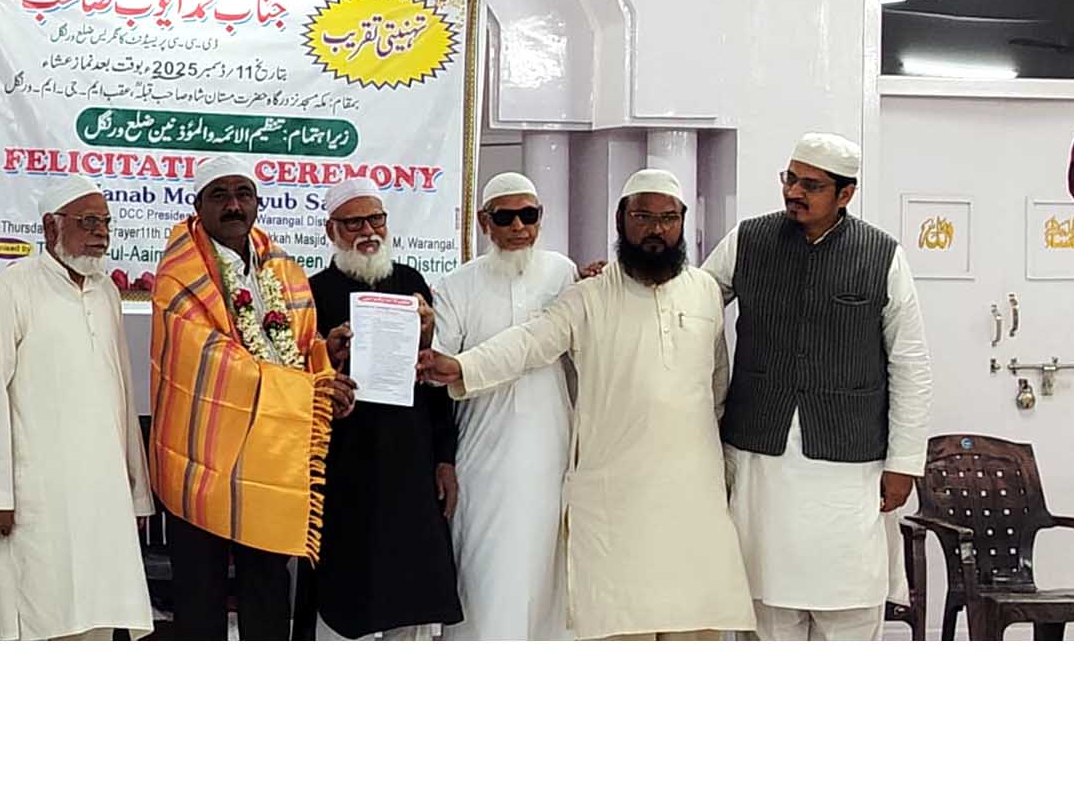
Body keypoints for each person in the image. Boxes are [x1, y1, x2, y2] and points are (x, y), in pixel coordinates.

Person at [418, 169, 755, 641]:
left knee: (697, 627)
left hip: (693, 492)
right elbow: (529, 342)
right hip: (617, 498)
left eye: (667, 218)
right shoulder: (588, 296)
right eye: (642, 217)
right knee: (621, 628)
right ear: (620, 220)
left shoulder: (705, 291)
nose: (656, 229)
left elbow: (716, 385)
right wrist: (462, 367)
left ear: (683, 221)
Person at [707, 132, 932, 641]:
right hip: (761, 455)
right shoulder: (748, 241)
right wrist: (623, 283)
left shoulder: (881, 255)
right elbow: (690, 301)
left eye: (811, 185)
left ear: (845, 193)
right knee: (765, 605)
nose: (794, 192)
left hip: (851, 462)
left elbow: (911, 363)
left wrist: (904, 463)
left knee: (848, 604)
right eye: (790, 179)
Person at [149, 153, 354, 640]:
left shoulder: (283, 269)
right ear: (197, 206)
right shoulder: (178, 274)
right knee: (200, 595)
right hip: (203, 457)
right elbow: (207, 360)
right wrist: (307, 391)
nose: (234, 205)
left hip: (269, 457)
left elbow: (300, 345)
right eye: (219, 195)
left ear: (258, 203)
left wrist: (327, 362)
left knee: (267, 589)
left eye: (243, 194)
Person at [0, 176, 154, 640]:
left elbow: (123, 393)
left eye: (105, 222)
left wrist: (136, 493)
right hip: (37, 493)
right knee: (41, 610)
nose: (101, 232)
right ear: (51, 227)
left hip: (103, 492)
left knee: (99, 610)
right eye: (88, 222)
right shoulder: (11, 288)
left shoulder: (106, 292)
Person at [296, 178, 461, 640]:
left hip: (410, 461)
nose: (368, 231)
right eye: (354, 223)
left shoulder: (410, 283)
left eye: (376, 220)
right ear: (331, 230)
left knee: (410, 597)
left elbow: (434, 382)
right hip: (343, 466)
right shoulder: (312, 293)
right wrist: (327, 356)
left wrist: (445, 459)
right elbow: (295, 376)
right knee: (345, 596)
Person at [430, 172, 577, 640]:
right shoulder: (456, 285)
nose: (519, 227)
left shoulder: (562, 273)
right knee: (485, 568)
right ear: (483, 222)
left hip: (551, 449)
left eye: (529, 216)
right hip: (482, 454)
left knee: (546, 570)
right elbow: (436, 366)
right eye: (505, 217)